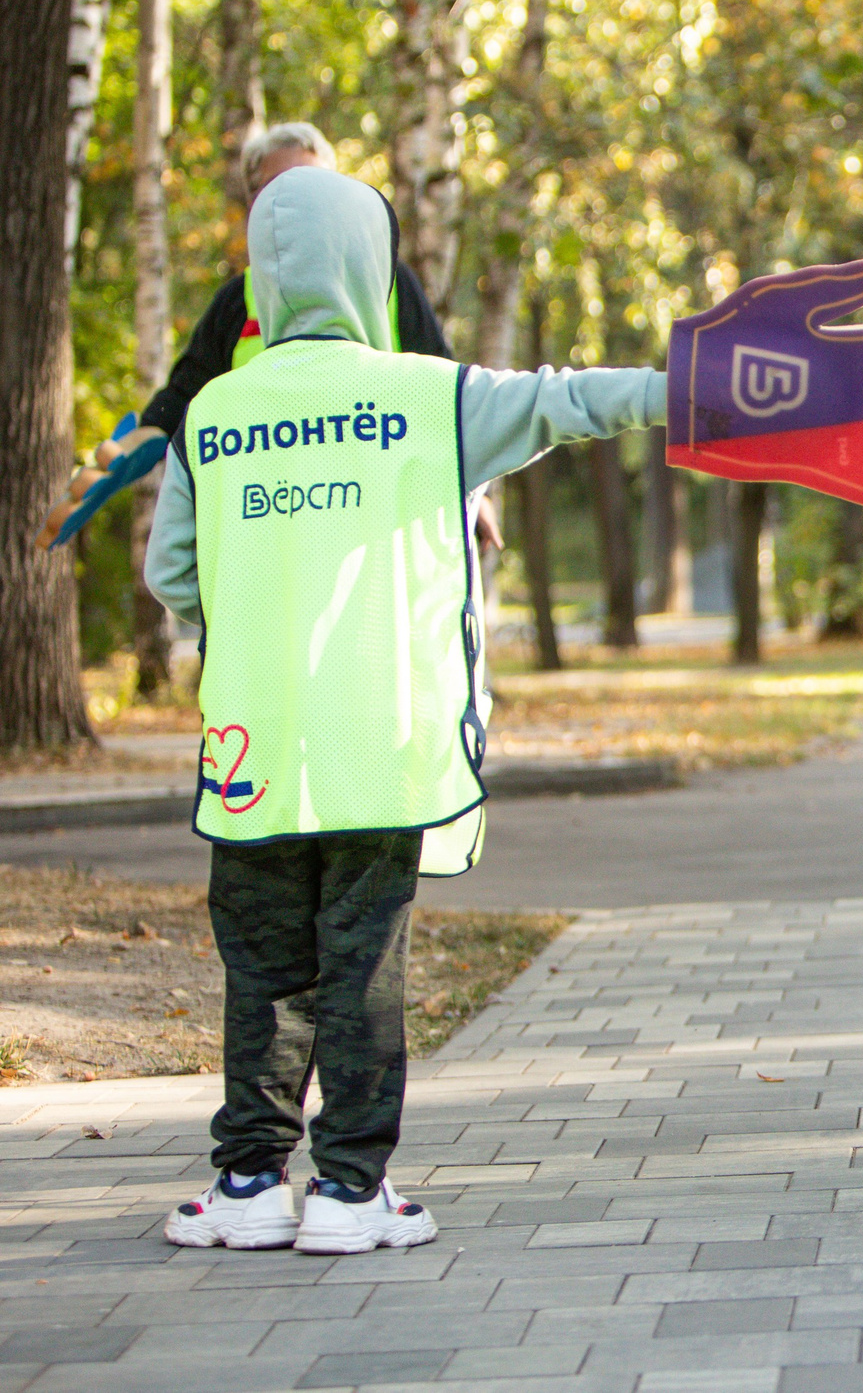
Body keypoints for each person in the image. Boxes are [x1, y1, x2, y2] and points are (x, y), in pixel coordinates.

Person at [147, 166, 668, 1253]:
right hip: (380, 734)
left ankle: (245, 1184)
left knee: (262, 960)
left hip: (252, 736)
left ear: (259, 274)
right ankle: (348, 1191)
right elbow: (571, 401)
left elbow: (174, 577)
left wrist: (255, 614)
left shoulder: (212, 410)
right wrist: (692, 389)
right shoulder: (429, 396)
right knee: (360, 957)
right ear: (368, 268)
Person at [43, 122, 487, 549]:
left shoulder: (388, 281)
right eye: (278, 186)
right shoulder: (237, 301)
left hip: (371, 525)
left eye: (313, 182)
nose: (299, 198)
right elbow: (180, 404)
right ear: (253, 202)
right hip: (271, 526)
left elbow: (443, 393)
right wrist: (135, 448)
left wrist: (475, 487)